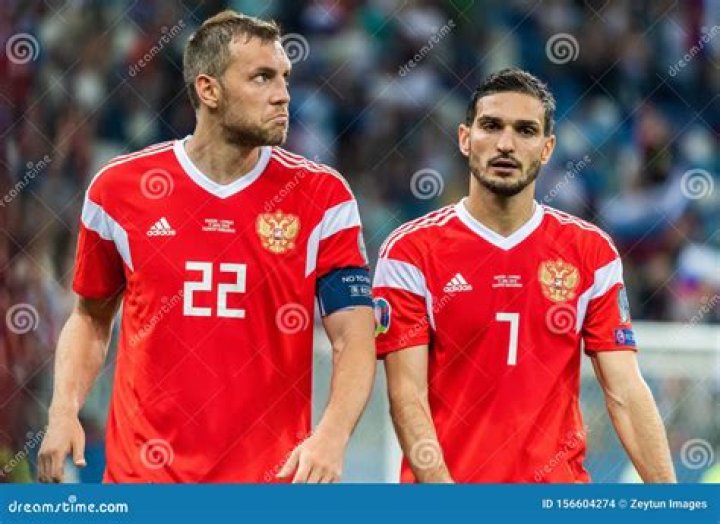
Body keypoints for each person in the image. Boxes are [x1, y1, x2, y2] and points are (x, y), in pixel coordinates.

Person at [38, 10, 376, 483]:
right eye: (262, 77)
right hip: (144, 482)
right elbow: (91, 318)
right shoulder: (119, 190)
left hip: (267, 489)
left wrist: (333, 435)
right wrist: (62, 413)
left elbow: (355, 336)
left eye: (284, 77)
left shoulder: (323, 198)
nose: (283, 93)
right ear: (209, 90)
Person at [372, 68, 676, 483]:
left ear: (547, 148)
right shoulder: (411, 252)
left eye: (525, 130)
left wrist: (669, 499)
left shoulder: (590, 253)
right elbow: (407, 396)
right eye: (491, 126)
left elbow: (625, 390)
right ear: (465, 138)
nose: (506, 144)